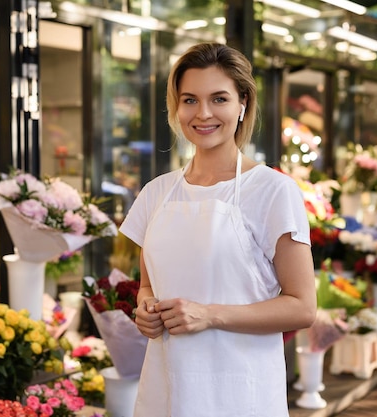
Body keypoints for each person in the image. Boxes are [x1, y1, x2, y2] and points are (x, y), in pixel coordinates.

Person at [118, 42, 317, 416]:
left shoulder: (273, 191)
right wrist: (144, 308)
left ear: (243, 103)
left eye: (219, 98)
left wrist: (209, 314)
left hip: (240, 393)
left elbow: (303, 307)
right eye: (189, 100)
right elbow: (148, 285)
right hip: (167, 390)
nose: (203, 113)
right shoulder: (155, 193)